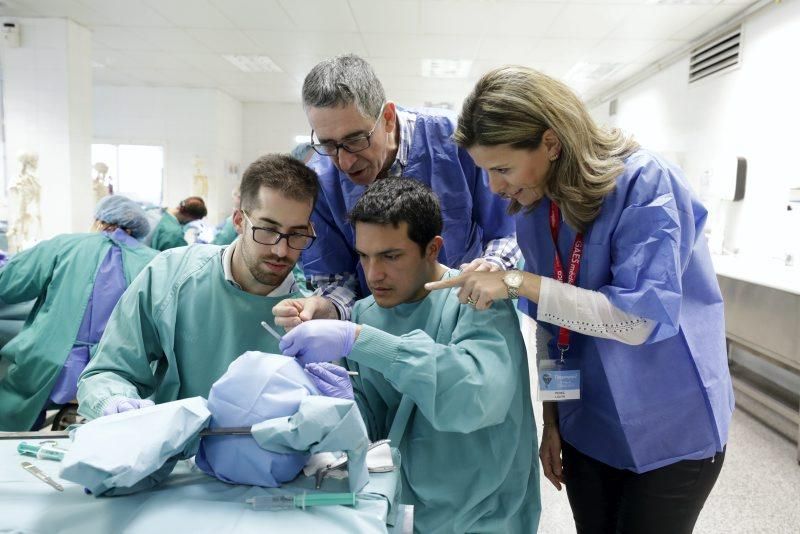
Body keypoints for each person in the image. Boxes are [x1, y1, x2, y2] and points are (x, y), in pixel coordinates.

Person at [426, 66, 734, 534]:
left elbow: (636, 321)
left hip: (671, 429)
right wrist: (553, 420)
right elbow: (555, 325)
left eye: (502, 168)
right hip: (589, 426)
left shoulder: (646, 184)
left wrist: (515, 282)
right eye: (484, 171)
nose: (493, 187)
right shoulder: (537, 209)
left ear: (551, 142)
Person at [280, 178, 540, 534]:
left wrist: (363, 342)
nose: (374, 274)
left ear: (432, 249)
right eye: (364, 256)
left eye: (390, 256)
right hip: (400, 509)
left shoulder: (477, 303)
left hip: (485, 512)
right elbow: (371, 432)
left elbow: (474, 398)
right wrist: (338, 407)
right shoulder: (364, 314)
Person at [273, 54, 520, 328]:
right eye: (329, 145)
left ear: (388, 118)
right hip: (382, 327)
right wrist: (328, 307)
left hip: (467, 311)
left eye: (355, 140)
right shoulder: (321, 181)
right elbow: (337, 278)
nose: (344, 162)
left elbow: (508, 230)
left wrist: (492, 266)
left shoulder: (456, 141)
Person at [77, 155, 319, 419]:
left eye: (296, 234)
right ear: (238, 221)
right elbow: (109, 370)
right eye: (267, 230)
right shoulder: (171, 276)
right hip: (174, 452)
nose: (280, 250)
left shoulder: (309, 316)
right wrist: (114, 400)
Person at [0, 195, 157, 431]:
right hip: (114, 373)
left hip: (46, 366)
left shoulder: (64, 246)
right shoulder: (156, 261)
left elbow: (9, 284)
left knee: (15, 411)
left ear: (99, 221)